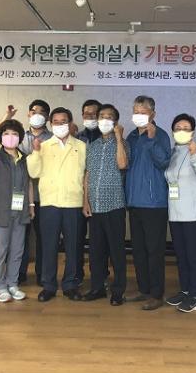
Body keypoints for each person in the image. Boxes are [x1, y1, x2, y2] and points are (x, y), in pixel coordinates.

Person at [27, 107, 86, 302]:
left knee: (73, 247)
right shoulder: (43, 146)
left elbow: (86, 175)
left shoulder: (81, 146)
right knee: (49, 246)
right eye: (56, 122)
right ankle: (49, 285)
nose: (60, 125)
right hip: (50, 203)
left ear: (70, 123)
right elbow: (34, 172)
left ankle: (70, 284)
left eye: (64, 121)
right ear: (51, 124)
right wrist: (36, 152)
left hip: (73, 202)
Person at [0, 119, 35, 303]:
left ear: (20, 137)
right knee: (1, 250)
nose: (11, 137)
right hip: (2, 210)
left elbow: (29, 183)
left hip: (21, 210)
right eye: (6, 134)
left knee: (18, 250)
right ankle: (0, 287)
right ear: (1, 137)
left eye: (14, 134)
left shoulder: (25, 158)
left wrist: (31, 205)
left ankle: (13, 284)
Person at [125, 95, 172, 311]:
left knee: (155, 251)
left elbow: (164, 162)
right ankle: (143, 289)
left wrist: (152, 139)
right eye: (136, 111)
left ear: (153, 114)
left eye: (143, 112)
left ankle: (156, 293)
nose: (138, 115)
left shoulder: (161, 135)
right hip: (134, 201)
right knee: (138, 250)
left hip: (154, 203)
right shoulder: (132, 137)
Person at [82, 104, 129, 306]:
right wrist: (85, 201)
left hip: (114, 204)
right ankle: (97, 287)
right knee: (96, 251)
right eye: (101, 116)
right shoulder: (92, 146)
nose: (104, 119)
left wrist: (118, 137)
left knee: (116, 251)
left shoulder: (123, 144)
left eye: (109, 117)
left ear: (116, 122)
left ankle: (118, 290)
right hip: (95, 205)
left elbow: (122, 164)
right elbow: (87, 175)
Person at [164, 114, 196, 313]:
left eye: (186, 128)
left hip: (193, 213)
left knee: (193, 256)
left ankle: (194, 295)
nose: (181, 131)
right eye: (177, 128)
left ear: (192, 131)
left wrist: (193, 155)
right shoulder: (171, 153)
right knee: (181, 255)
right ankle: (184, 290)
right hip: (175, 213)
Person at [18, 99, 52, 285]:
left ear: (47, 116)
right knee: (21, 236)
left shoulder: (53, 138)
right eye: (33, 111)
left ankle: (42, 274)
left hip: (45, 195)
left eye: (41, 112)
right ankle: (19, 272)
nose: (36, 115)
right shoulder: (18, 137)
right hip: (21, 195)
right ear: (28, 114)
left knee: (44, 237)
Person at [75, 99, 102, 283]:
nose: (90, 117)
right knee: (76, 238)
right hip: (78, 195)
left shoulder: (106, 137)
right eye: (86, 114)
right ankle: (77, 274)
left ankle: (99, 276)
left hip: (99, 195)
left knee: (99, 241)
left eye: (94, 114)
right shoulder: (77, 137)